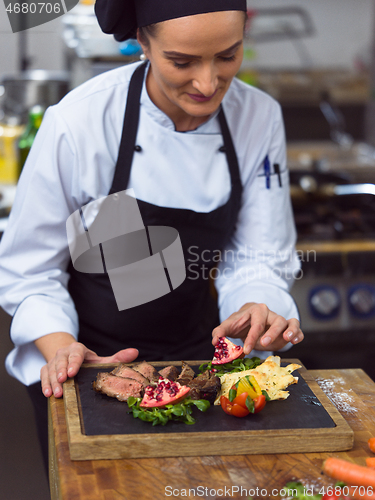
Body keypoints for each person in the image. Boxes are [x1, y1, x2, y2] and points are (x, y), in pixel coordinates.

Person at [0, 0, 303, 469]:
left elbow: (258, 255)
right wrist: (62, 348)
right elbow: (29, 269)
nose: (208, 83)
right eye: (182, 62)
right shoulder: (79, 123)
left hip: (200, 364)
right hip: (90, 362)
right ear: (141, 41)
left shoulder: (257, 116)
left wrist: (256, 308)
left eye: (227, 55)